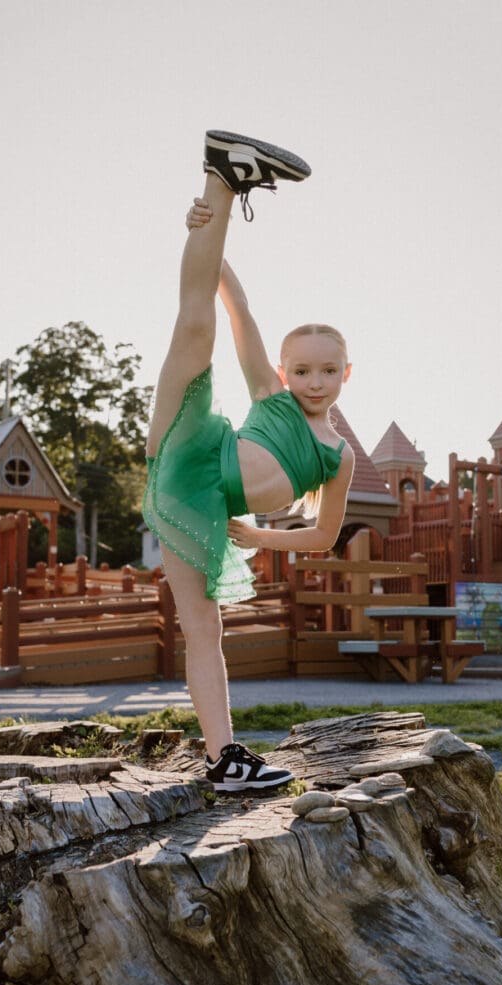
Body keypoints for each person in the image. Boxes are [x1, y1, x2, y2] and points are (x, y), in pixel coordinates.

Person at [144, 130, 355, 792]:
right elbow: (238, 309)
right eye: (302, 369)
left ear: (347, 372)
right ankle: (222, 182)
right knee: (197, 324)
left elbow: (321, 535)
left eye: (326, 371)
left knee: (203, 631)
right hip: (188, 444)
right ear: (285, 371)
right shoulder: (272, 395)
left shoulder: (338, 456)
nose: (313, 381)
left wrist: (257, 536)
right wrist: (210, 232)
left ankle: (224, 759)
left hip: (195, 507)